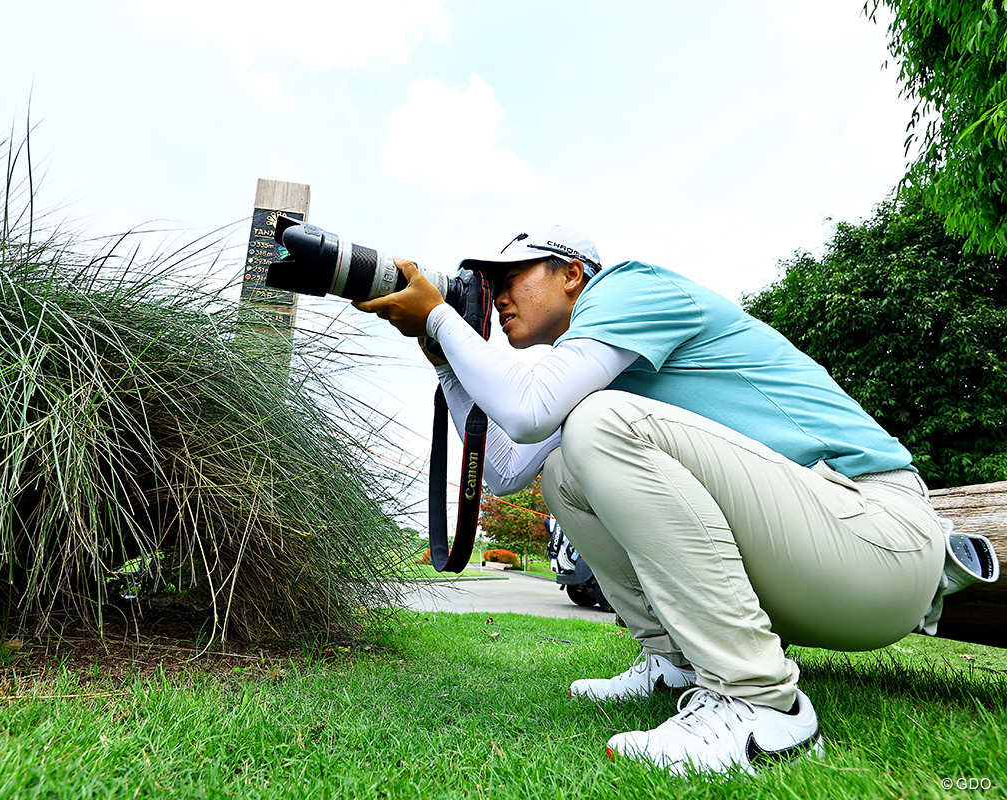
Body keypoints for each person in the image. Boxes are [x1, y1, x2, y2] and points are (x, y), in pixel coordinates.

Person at [353, 226, 947, 776]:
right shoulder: (598, 372)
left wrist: (437, 317)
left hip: (880, 538)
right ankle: (677, 663)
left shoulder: (632, 284)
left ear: (573, 274)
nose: (498, 297)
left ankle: (762, 704)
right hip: (815, 565)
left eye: (511, 279)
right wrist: (444, 360)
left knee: (599, 425)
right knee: (562, 469)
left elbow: (528, 409)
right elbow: (507, 468)